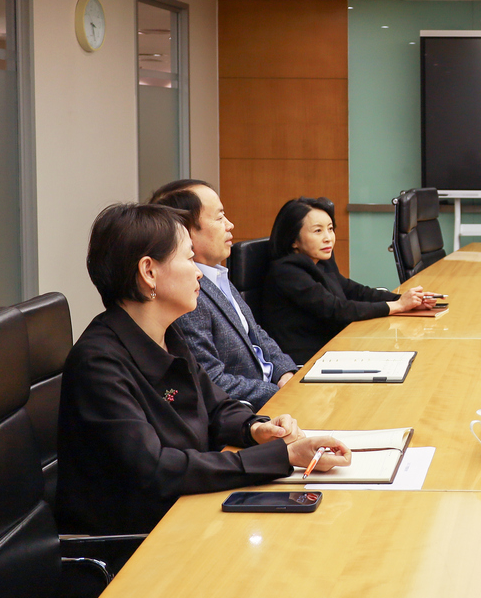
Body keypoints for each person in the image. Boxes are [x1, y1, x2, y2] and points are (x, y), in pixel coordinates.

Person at [55, 203, 350, 535]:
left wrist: (255, 428)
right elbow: (156, 469)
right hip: (141, 538)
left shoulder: (167, 333)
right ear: (149, 271)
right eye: (188, 258)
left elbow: (216, 405)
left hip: (188, 508)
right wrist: (281, 457)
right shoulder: (98, 363)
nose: (198, 272)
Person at [150, 179, 297, 411]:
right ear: (186, 231)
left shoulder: (216, 275)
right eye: (219, 218)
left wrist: (285, 373)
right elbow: (212, 381)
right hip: (251, 410)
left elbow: (256, 333)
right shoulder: (187, 296)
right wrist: (280, 393)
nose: (230, 225)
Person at [260, 197, 435, 364]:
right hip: (307, 361)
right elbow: (336, 309)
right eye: (318, 231)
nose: (328, 238)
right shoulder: (287, 271)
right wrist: (397, 306)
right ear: (293, 240)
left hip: (335, 347)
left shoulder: (320, 261)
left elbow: (354, 291)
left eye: (330, 229)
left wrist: (405, 300)